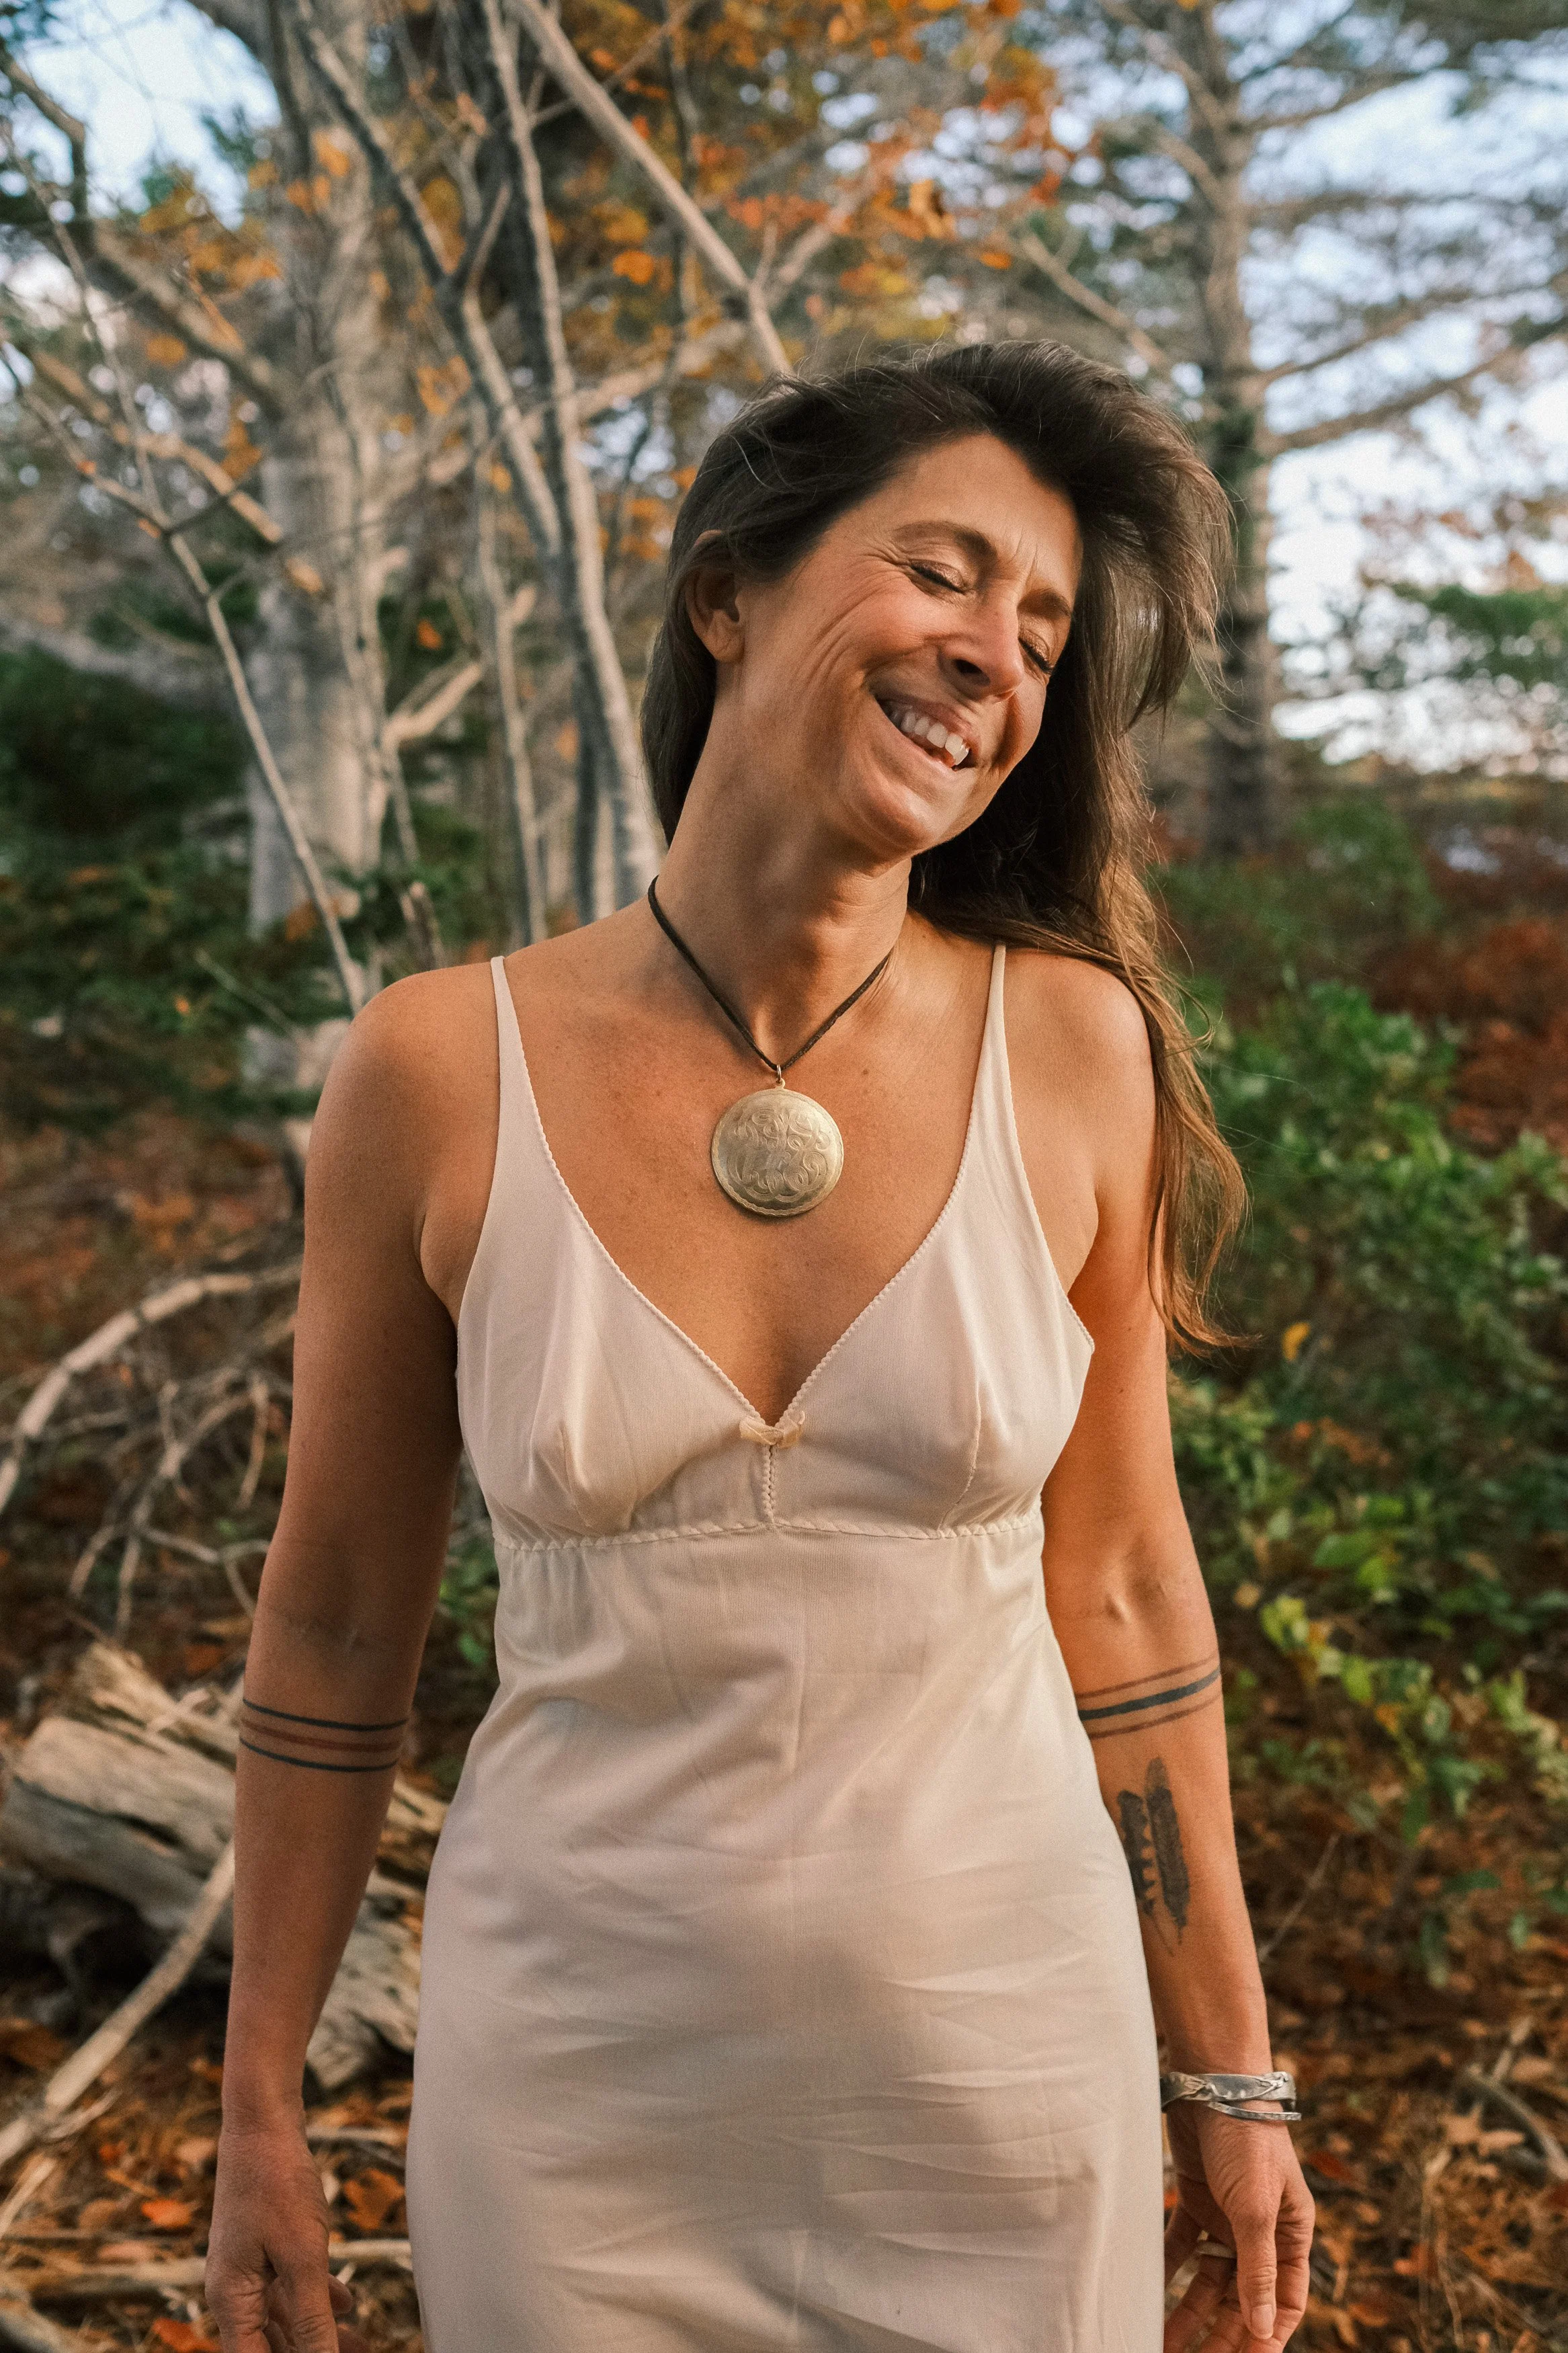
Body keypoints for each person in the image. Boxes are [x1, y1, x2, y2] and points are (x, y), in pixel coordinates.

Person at [206, 341, 1315, 2353]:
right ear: (729, 591)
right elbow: (340, 1625)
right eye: (946, 574)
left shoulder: (1072, 1052)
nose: (996, 654)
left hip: (999, 2074)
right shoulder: (437, 1070)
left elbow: (1132, 1592)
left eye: (1043, 628)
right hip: (575, 2103)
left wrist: (1228, 2071)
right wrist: (258, 2091)